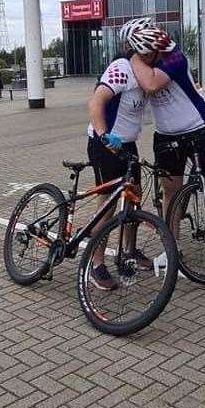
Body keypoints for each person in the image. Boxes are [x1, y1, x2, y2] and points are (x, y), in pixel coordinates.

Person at [124, 23, 205, 264]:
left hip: (196, 127)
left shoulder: (174, 57)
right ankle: (172, 246)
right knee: (171, 191)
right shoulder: (143, 60)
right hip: (166, 135)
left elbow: (151, 84)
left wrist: (133, 56)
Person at [86, 17, 153, 290]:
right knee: (108, 204)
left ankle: (128, 250)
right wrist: (104, 136)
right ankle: (96, 262)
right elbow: (96, 102)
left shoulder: (147, 71)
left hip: (127, 145)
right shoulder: (121, 68)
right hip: (105, 142)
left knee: (134, 198)